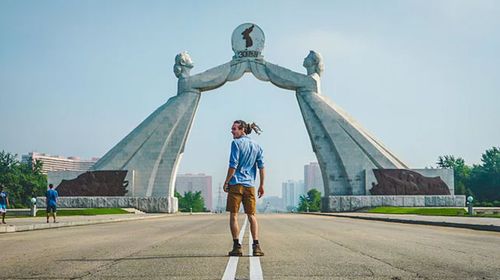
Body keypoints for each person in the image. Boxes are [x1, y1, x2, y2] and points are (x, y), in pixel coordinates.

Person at [223, 120, 265, 257]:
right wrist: (262, 185)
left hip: (236, 185)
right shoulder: (257, 146)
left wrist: (226, 181)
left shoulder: (236, 143)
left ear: (242, 130)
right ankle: (256, 246)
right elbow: (261, 167)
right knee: (252, 216)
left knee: (233, 215)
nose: (232, 131)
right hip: (250, 186)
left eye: (234, 129)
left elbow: (233, 165)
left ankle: (237, 247)